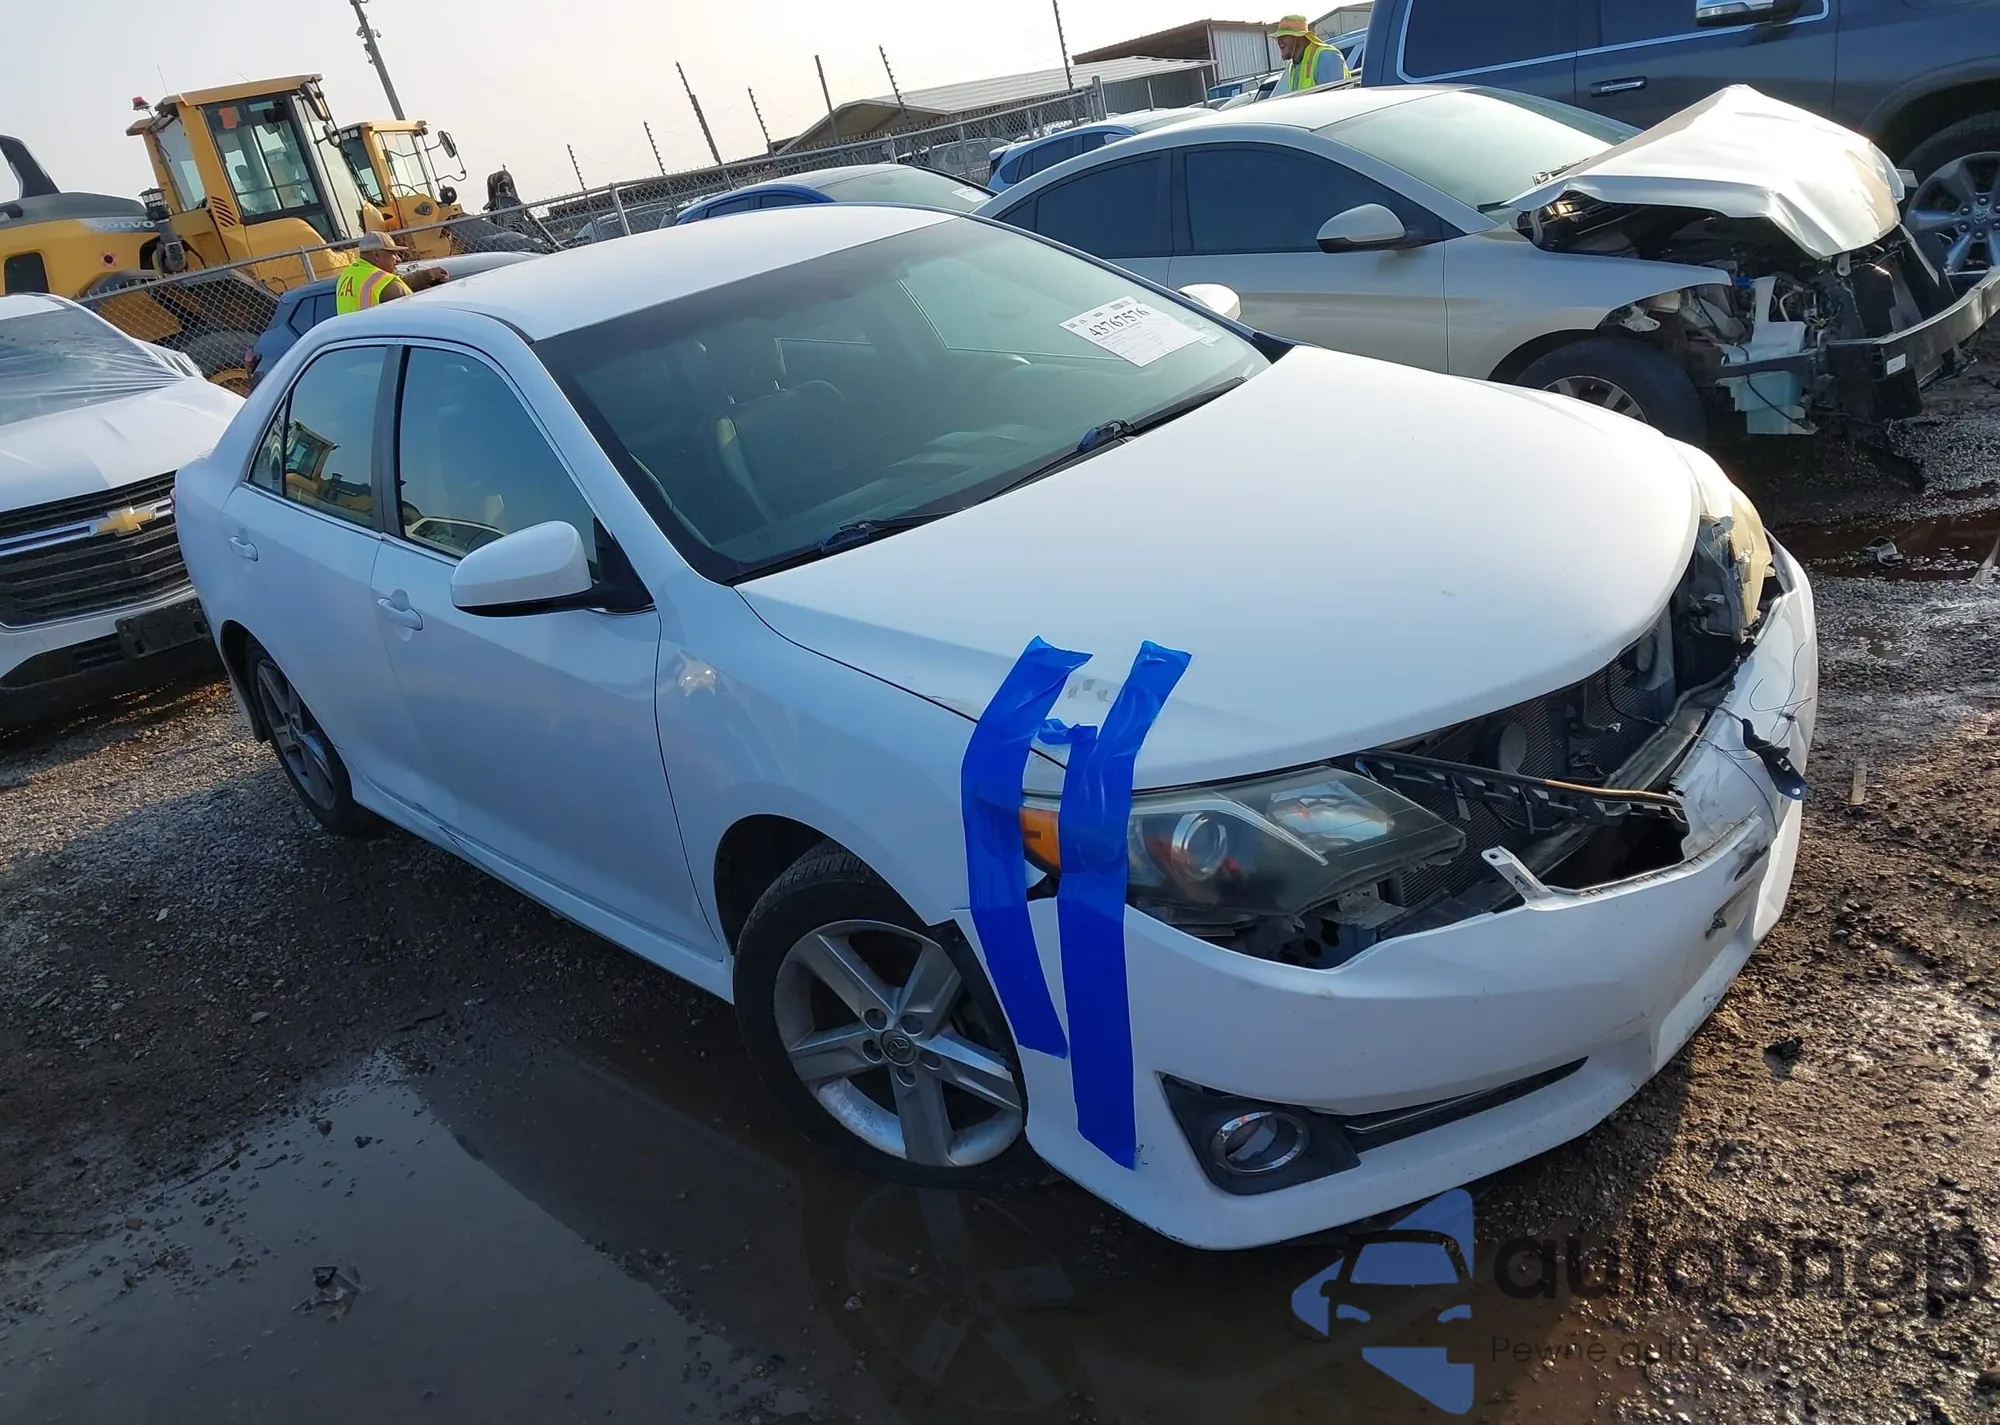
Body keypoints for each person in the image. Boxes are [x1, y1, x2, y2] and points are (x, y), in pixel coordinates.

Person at [334, 231, 417, 314]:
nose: (398, 259)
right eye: (393, 253)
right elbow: (413, 313)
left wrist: (423, 276)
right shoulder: (384, 282)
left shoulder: (348, 273)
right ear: (376, 255)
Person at [1271, 15, 1349, 94]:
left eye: (1284, 36)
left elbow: (1334, 99)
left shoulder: (1326, 57)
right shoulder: (1293, 65)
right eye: (1278, 37)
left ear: (1299, 37)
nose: (1279, 41)